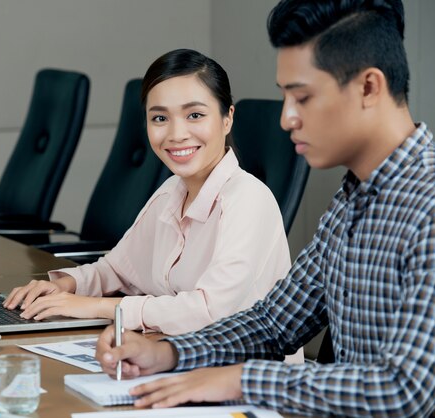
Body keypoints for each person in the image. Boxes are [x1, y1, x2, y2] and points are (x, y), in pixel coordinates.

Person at [95, 0, 435, 416]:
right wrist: (169, 354)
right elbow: (274, 323)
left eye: (303, 97)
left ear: (369, 87)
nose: (287, 118)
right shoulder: (351, 202)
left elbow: (406, 390)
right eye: (285, 97)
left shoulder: (428, 204)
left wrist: (238, 379)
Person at [3, 49, 293, 339]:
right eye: (159, 118)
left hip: (245, 375)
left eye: (195, 115)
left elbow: (208, 311)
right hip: (177, 357)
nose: (176, 133)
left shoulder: (249, 200)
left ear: (227, 118)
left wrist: (97, 307)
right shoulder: (171, 193)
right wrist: (67, 286)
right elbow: (117, 270)